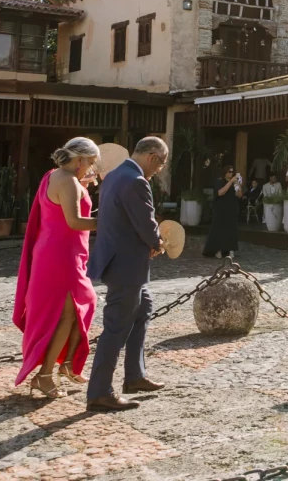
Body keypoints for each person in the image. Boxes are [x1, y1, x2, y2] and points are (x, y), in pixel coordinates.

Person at [85, 137, 168, 412]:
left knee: (143, 308)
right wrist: (157, 243)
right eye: (161, 165)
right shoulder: (136, 181)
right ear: (153, 157)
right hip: (126, 266)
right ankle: (100, 391)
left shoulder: (114, 175)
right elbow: (146, 221)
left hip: (119, 261)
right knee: (116, 328)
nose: (158, 171)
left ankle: (135, 375)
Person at [13, 137, 100, 398]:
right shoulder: (68, 181)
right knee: (68, 314)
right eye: (90, 163)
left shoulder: (55, 176)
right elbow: (74, 221)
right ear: (80, 160)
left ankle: (66, 365)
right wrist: (110, 220)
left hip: (57, 251)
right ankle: (46, 375)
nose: (90, 169)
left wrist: (82, 186)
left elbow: (60, 207)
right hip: (61, 255)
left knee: (83, 304)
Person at [203, 166, 243, 258]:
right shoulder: (219, 181)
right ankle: (218, 249)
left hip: (232, 208)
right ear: (225, 172)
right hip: (221, 209)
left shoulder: (234, 182)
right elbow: (221, 192)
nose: (231, 173)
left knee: (231, 230)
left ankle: (230, 249)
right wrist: (231, 182)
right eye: (229, 171)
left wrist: (238, 185)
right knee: (219, 229)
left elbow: (240, 195)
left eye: (232, 172)